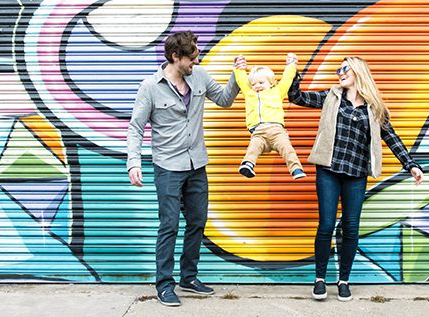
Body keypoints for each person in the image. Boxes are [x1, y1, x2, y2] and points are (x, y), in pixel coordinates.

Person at [287, 55, 424, 301]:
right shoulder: (331, 96)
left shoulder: (374, 108)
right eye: (338, 69)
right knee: (327, 225)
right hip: (328, 170)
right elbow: (297, 97)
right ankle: (319, 280)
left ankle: (343, 280)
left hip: (356, 174)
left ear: (358, 72)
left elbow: (391, 138)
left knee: (351, 228)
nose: (339, 72)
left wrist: (410, 165)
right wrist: (292, 70)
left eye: (345, 68)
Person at [126, 30, 245, 307]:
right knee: (169, 225)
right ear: (175, 56)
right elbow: (135, 127)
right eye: (191, 58)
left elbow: (225, 99)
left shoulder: (199, 76)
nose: (195, 62)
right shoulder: (150, 87)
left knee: (198, 222)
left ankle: (188, 277)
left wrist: (236, 75)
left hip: (196, 164)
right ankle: (164, 285)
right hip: (167, 166)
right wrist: (133, 162)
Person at [233, 53, 305, 179]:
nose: (257, 86)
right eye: (254, 84)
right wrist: (239, 67)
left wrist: (291, 65)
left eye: (261, 82)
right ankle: (248, 164)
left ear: (271, 83)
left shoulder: (277, 91)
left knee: (286, 148)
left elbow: (287, 78)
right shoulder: (250, 93)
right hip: (258, 132)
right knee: (253, 148)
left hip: (276, 131)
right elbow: (241, 80)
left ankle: (296, 169)